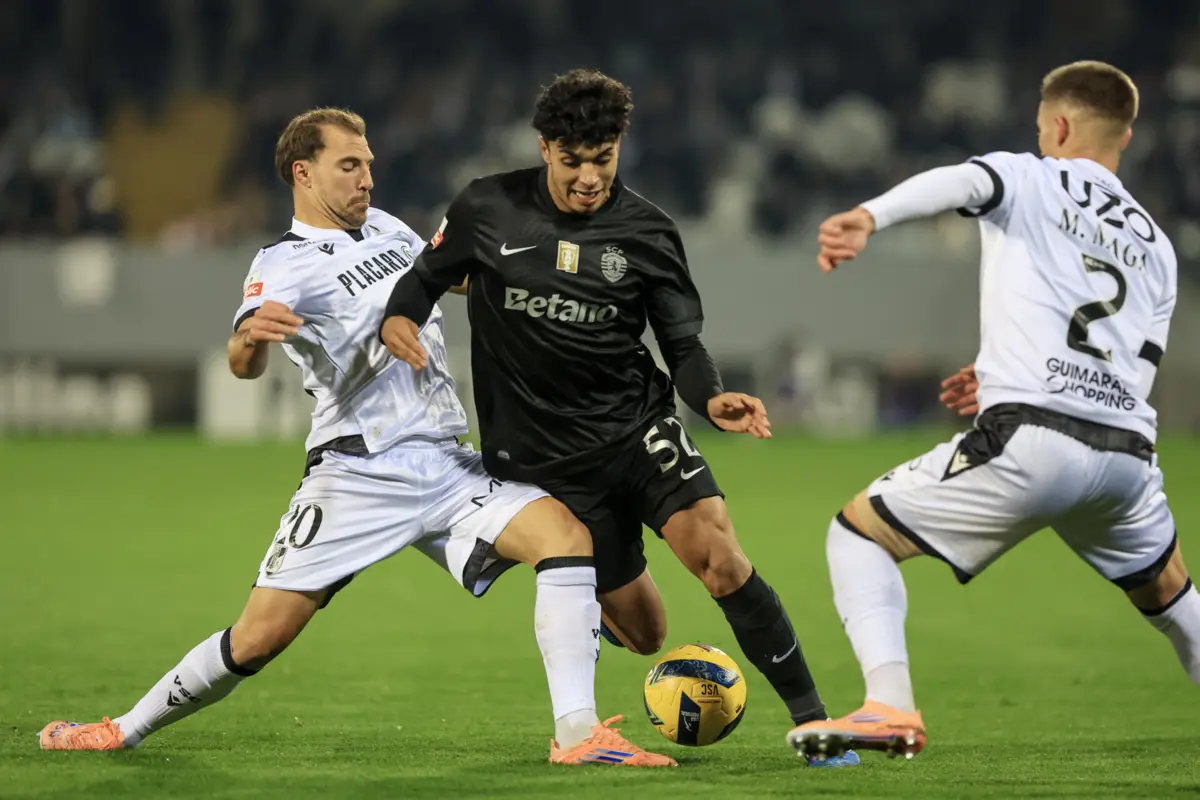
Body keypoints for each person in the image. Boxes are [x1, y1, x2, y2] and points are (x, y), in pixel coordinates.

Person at [39, 107, 674, 768]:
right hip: (358, 474)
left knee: (566, 536)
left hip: (446, 462)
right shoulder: (284, 262)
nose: (367, 177)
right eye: (350, 166)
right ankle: (121, 729)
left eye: (367, 164)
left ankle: (578, 735)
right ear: (303, 173)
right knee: (258, 639)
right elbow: (242, 355)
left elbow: (456, 275)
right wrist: (249, 339)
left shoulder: (391, 230)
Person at [379, 69, 858, 767]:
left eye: (602, 160)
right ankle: (589, 623)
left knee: (719, 558)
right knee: (647, 632)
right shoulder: (487, 208)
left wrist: (712, 397)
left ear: (619, 147)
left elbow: (682, 344)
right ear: (545, 148)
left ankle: (814, 724)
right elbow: (424, 279)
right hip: (547, 460)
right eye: (573, 162)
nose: (587, 178)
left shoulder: (647, 231)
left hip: (638, 430)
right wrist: (400, 317)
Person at [787, 60, 1197, 762]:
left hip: (1037, 443)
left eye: (1043, 129)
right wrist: (1006, 372)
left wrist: (871, 215)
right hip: (1127, 455)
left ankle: (889, 705)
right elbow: (1131, 360)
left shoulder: (1031, 175)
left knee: (858, 534)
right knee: (1171, 593)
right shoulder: (1157, 245)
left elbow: (962, 183)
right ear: (1122, 136)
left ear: (1059, 125)